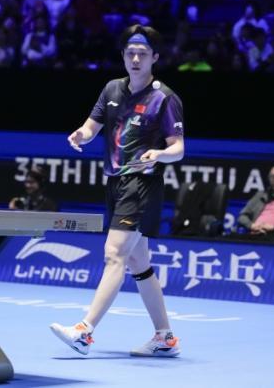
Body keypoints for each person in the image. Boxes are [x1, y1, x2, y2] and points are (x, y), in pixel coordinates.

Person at [50, 24, 184, 357]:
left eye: (143, 54)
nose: (136, 59)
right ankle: (165, 337)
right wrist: (80, 135)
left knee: (114, 255)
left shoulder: (164, 98)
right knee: (139, 262)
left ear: (155, 57)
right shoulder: (111, 89)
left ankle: (84, 331)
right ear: (123, 56)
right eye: (130, 53)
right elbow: (91, 127)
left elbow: (179, 148)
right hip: (114, 182)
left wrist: (160, 154)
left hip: (142, 184)